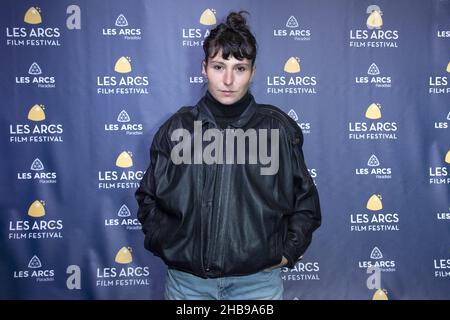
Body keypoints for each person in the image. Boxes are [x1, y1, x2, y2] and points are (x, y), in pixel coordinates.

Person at [135, 11, 321, 300]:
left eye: (240, 68)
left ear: (253, 72)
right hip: (188, 286)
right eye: (219, 66)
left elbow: (305, 201)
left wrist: (286, 253)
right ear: (204, 68)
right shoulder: (177, 129)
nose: (229, 79)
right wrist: (169, 244)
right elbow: (148, 196)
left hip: (257, 285)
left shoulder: (277, 129)